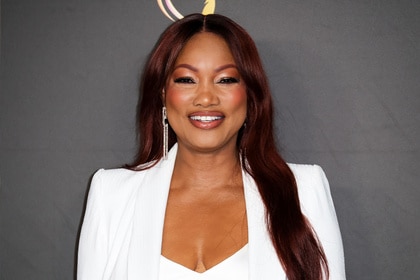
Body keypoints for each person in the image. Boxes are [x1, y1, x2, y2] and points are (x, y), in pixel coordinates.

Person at [77, 13, 345, 280]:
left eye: (225, 80)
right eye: (186, 80)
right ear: (162, 94)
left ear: (251, 95)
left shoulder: (303, 190)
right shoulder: (111, 195)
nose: (206, 98)